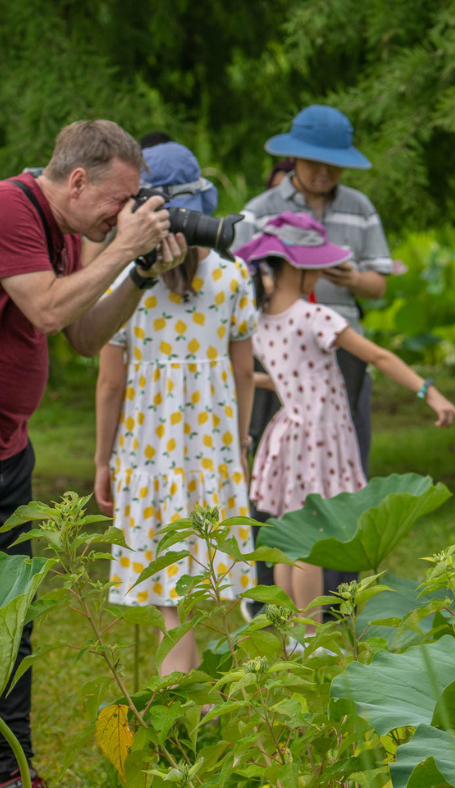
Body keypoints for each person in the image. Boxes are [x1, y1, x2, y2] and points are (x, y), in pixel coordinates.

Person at [0, 120, 185, 788]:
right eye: (118, 200)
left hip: (10, 448)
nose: (123, 215)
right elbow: (46, 311)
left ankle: (11, 772)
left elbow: (81, 335)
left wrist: (139, 272)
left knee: (12, 617)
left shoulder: (67, 234)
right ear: (77, 180)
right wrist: (121, 249)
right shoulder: (9, 208)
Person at [233, 212, 455, 620]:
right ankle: (311, 636)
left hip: (288, 434)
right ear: (298, 267)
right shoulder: (316, 317)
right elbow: (377, 355)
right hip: (319, 438)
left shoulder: (260, 321)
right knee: (311, 543)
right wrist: (429, 393)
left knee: (291, 539)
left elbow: (266, 375)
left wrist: (262, 382)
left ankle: (295, 637)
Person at [93, 142, 257, 677]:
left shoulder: (124, 285)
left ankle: (182, 712)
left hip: (149, 450)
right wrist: (241, 441)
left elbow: (111, 385)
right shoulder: (233, 278)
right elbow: (241, 375)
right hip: (211, 450)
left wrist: (103, 460)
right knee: (203, 590)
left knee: (171, 600)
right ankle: (202, 711)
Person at [234, 104, 393, 605]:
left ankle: (337, 597)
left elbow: (379, 283)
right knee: (274, 470)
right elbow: (239, 279)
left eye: (333, 164)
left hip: (340, 346)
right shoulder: (260, 208)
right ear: (293, 158)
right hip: (277, 349)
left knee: (340, 472)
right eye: (313, 163)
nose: (323, 173)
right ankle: (265, 597)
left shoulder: (359, 208)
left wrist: (349, 278)